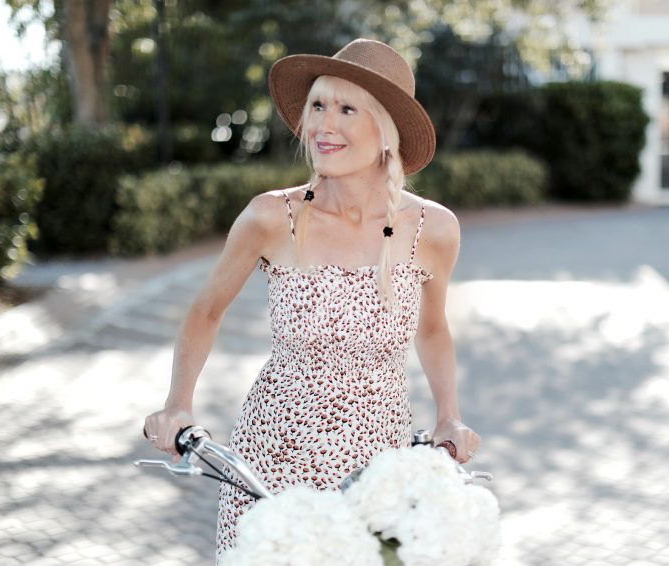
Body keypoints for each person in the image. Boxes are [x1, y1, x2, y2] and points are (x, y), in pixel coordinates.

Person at [142, 38, 481, 561]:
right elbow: (206, 310)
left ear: (386, 130)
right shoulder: (271, 217)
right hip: (273, 455)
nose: (324, 124)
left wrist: (448, 417)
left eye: (347, 109)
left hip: (376, 468)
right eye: (319, 105)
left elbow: (432, 330)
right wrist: (177, 405)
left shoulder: (433, 229)